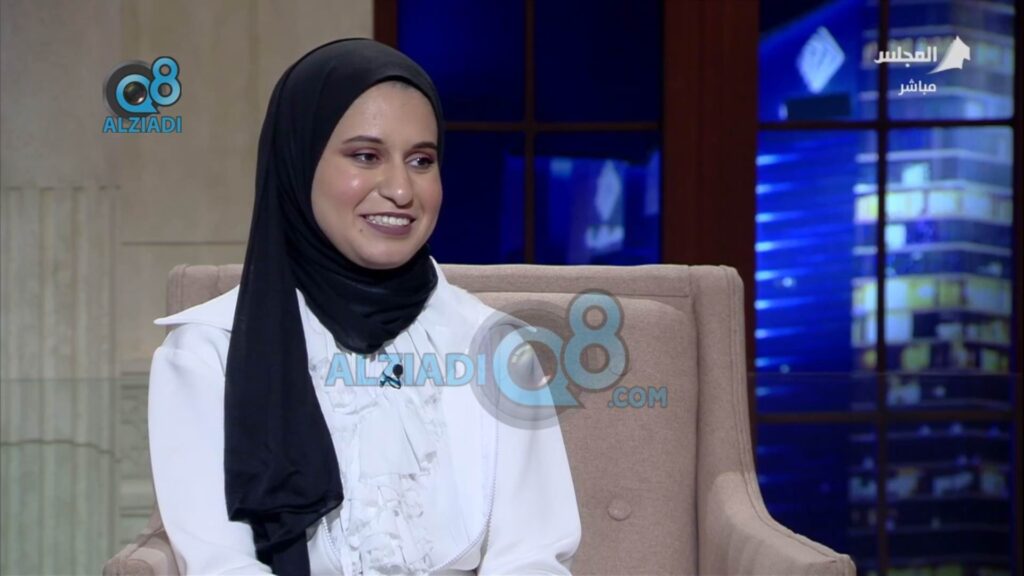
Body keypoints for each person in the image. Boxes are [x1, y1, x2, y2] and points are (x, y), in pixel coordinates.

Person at [146, 38, 581, 576]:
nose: (401, 189)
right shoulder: (207, 352)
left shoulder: (496, 348)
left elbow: (532, 558)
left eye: (421, 160)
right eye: (366, 156)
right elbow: (221, 566)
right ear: (298, 162)